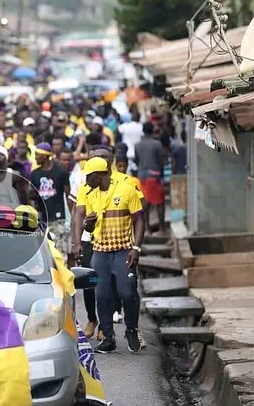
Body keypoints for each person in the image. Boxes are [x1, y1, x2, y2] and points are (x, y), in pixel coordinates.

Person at [72, 157, 144, 354]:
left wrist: (136, 248)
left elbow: (139, 219)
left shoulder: (126, 189)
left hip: (123, 251)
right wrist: (88, 224)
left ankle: (131, 330)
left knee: (127, 292)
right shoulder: (90, 194)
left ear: (100, 175)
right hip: (100, 252)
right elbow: (88, 226)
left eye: (89, 176)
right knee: (102, 295)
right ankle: (108, 337)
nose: (86, 180)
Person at [30, 142, 71, 253]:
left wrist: (71, 217)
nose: (35, 157)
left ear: (45, 156)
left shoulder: (61, 172)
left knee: (60, 252)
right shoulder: (34, 174)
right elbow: (33, 196)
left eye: (37, 155)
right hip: (42, 219)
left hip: (58, 219)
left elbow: (69, 196)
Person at [135, 122, 166, 235]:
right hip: (154, 176)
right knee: (160, 202)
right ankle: (161, 229)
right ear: (152, 130)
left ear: (143, 131)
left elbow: (137, 161)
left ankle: (147, 229)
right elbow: (161, 161)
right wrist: (161, 174)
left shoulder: (137, 145)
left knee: (145, 204)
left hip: (141, 176)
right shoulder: (157, 144)